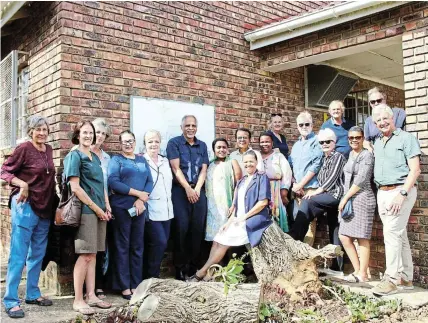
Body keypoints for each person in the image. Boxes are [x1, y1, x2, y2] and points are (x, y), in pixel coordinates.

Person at [1, 116, 56, 319]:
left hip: (45, 207)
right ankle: (11, 300)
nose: (42, 132)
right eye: (38, 129)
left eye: (44, 129)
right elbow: (4, 171)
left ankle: (32, 293)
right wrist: (22, 184)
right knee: (19, 255)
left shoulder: (48, 149)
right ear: (30, 131)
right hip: (25, 207)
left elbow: (51, 177)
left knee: (37, 254)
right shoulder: (23, 148)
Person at [188, 150, 271, 281]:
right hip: (238, 219)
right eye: (246, 162)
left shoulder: (261, 177)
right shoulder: (242, 181)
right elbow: (237, 207)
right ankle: (209, 274)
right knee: (217, 239)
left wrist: (244, 217)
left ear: (256, 162)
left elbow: (263, 203)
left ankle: (201, 273)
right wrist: (227, 223)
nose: (248, 164)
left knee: (223, 243)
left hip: (253, 219)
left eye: (251, 161)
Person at [371, 104, 421, 296]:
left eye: (385, 119)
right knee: (399, 235)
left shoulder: (406, 138)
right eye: (378, 121)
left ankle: (391, 279)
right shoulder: (377, 141)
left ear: (393, 119)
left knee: (391, 233)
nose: (382, 123)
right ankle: (407, 277)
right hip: (383, 192)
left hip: (400, 191)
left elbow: (415, 170)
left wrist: (402, 194)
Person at [63, 120, 112, 315]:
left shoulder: (94, 156)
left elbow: (102, 185)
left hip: (100, 211)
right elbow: (75, 188)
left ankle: (91, 295)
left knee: (93, 255)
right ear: (77, 134)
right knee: (84, 255)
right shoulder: (74, 156)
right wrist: (95, 208)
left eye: (91, 133)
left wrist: (106, 206)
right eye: (84, 132)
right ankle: (78, 299)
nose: (88, 136)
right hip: (86, 211)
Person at [289, 128, 347, 271]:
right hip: (327, 195)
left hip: (335, 195)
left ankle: (295, 236)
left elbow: (331, 180)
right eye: (322, 142)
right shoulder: (324, 158)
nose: (325, 144)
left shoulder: (338, 157)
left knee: (308, 202)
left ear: (334, 142)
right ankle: (337, 266)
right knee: (334, 227)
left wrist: (316, 193)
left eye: (328, 141)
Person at [108, 130, 153, 299]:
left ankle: (136, 284)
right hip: (121, 208)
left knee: (137, 246)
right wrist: (137, 194)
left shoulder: (141, 160)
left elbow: (149, 180)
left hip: (139, 208)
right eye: (125, 141)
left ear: (135, 142)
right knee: (122, 246)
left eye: (131, 141)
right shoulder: (116, 160)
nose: (128, 144)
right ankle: (124, 285)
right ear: (120, 144)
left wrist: (142, 200)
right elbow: (113, 182)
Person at [167, 115, 209, 280]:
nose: (190, 128)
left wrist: (196, 189)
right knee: (181, 229)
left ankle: (193, 267)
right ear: (181, 127)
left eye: (193, 125)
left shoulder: (202, 145)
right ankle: (179, 268)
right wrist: (187, 189)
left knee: (197, 230)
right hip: (180, 192)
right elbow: (175, 168)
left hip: (198, 191)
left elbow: (204, 170)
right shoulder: (174, 143)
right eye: (187, 125)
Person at [338, 126, 376, 283]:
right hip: (351, 199)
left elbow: (361, 179)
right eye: (351, 138)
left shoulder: (367, 156)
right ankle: (358, 270)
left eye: (357, 137)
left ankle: (363, 274)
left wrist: (345, 198)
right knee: (344, 236)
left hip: (362, 198)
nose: (354, 140)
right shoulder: (351, 154)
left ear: (362, 138)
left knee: (362, 237)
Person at [143, 130, 174, 278]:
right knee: (159, 242)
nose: (153, 144)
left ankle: (151, 277)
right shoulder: (142, 161)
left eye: (156, 141)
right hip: (151, 210)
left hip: (167, 211)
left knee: (161, 245)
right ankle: (151, 277)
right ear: (145, 144)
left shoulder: (165, 161)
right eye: (150, 141)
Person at [289, 111, 323, 246]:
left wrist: (301, 185)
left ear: (312, 125)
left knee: (309, 224)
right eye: (301, 124)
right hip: (297, 189)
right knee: (297, 220)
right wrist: (295, 184)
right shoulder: (296, 145)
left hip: (310, 189)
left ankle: (307, 260)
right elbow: (291, 166)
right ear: (297, 126)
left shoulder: (316, 142)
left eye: (307, 124)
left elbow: (316, 165)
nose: (304, 127)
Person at [205, 138, 242, 241]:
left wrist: (234, 204)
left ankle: (229, 257)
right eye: (218, 147)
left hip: (226, 204)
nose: (221, 150)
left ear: (227, 149)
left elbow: (239, 185)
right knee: (214, 233)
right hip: (212, 204)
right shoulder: (210, 164)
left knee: (227, 233)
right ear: (214, 150)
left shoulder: (232, 162)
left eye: (224, 147)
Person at [91, 118, 111, 299]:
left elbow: (108, 184)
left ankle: (98, 285)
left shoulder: (107, 158)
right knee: (87, 249)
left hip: (104, 207)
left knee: (102, 248)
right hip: (87, 208)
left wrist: (108, 205)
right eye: (97, 132)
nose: (100, 136)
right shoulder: (80, 153)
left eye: (104, 134)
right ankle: (85, 287)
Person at [259, 132, 292, 232]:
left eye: (267, 142)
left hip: (276, 191)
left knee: (276, 216)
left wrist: (284, 191)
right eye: (262, 142)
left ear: (272, 142)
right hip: (261, 191)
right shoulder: (257, 156)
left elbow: (287, 173)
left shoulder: (278, 156)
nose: (265, 144)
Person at [363, 87, 406, 153]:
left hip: (398, 152)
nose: (376, 103)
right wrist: (369, 148)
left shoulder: (399, 113)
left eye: (379, 100)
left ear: (385, 99)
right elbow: (366, 141)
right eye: (373, 102)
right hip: (379, 154)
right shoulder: (369, 120)